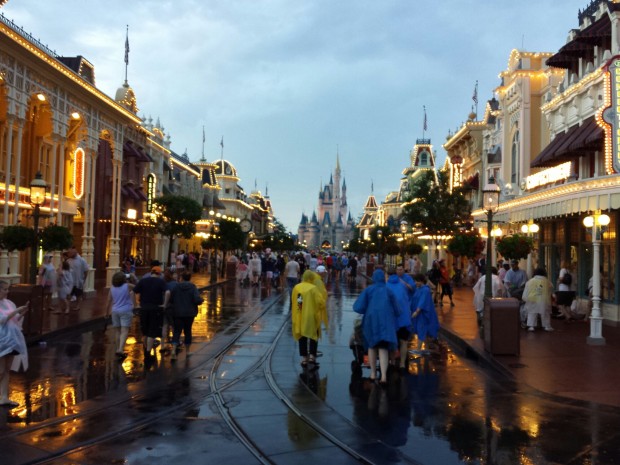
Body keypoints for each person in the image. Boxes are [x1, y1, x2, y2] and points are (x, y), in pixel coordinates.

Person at [353, 269, 399, 385]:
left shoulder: (369, 290)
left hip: (371, 322)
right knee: (383, 348)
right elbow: (397, 309)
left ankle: (373, 374)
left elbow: (358, 307)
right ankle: (383, 376)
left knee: (372, 347)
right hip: (386, 322)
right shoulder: (388, 291)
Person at [0, 280, 29, 407]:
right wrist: (16, 310)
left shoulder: (9, 303)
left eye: (8, 289)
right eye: (5, 289)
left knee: (7, 370)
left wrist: (21, 313)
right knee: (0, 370)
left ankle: (4, 397)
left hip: (12, 340)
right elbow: (2, 320)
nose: (7, 291)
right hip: (2, 341)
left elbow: (14, 320)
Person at [291, 270, 328, 367]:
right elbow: (320, 302)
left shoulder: (297, 287)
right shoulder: (313, 288)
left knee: (302, 336)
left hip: (301, 316)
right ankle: (312, 356)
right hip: (312, 316)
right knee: (313, 335)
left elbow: (299, 302)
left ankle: (304, 358)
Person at [164, 271, 203, 360]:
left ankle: (174, 350)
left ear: (182, 278)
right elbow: (197, 299)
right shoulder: (192, 287)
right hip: (189, 313)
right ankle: (188, 351)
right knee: (188, 331)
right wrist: (201, 300)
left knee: (177, 331)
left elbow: (171, 298)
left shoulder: (176, 287)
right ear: (190, 278)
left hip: (178, 312)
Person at [133, 265, 168, 363]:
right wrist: (164, 304)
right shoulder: (161, 282)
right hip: (155, 309)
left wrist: (136, 304)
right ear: (159, 273)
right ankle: (148, 353)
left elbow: (133, 292)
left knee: (145, 331)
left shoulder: (143, 281)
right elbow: (168, 292)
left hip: (144, 309)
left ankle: (145, 350)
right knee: (152, 331)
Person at [386, 267, 414, 373]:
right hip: (404, 317)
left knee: (392, 341)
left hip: (392, 319)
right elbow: (410, 294)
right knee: (403, 341)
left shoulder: (386, 286)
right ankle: (402, 364)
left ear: (388, 275)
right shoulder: (403, 285)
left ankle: (392, 362)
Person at [105, 271, 135, 360]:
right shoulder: (127, 286)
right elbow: (137, 287)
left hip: (115, 311)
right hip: (126, 310)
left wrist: (106, 313)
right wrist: (131, 277)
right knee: (124, 330)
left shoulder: (112, 288)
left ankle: (118, 348)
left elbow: (108, 301)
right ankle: (121, 349)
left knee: (117, 331)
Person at [410, 273, 440, 353]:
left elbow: (422, 302)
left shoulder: (425, 290)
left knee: (421, 329)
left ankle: (418, 349)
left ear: (421, 281)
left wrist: (417, 311)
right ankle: (426, 348)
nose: (415, 283)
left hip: (423, 314)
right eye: (415, 281)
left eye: (417, 281)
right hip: (421, 314)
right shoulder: (419, 289)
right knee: (424, 330)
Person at [522, 267, 554, 332]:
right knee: (545, 313)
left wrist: (525, 298)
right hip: (544, 300)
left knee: (532, 313)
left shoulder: (530, 281)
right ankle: (546, 326)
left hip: (532, 299)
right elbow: (551, 289)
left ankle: (531, 326)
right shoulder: (547, 281)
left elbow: (526, 291)